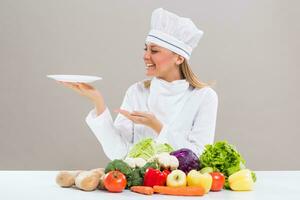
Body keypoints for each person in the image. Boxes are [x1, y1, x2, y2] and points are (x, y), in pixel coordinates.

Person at [59, 8, 218, 160]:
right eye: (146, 49)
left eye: (154, 51)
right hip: (140, 186)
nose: (145, 56)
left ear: (179, 58)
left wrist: (156, 126)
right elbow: (119, 152)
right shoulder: (137, 92)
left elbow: (199, 156)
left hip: (181, 186)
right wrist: (97, 101)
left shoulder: (204, 97)